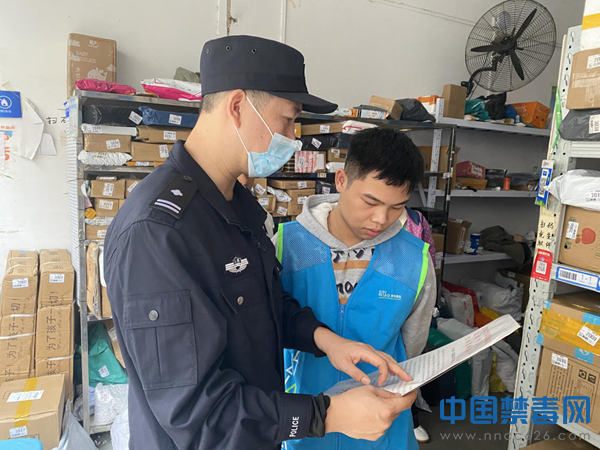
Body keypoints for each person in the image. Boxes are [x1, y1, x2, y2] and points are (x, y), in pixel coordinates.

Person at [104, 35, 416, 450]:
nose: (293, 137)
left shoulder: (237, 206)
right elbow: (195, 413)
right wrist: (327, 415)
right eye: (287, 120)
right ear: (237, 106)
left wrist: (327, 341)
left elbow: (262, 307)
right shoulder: (158, 232)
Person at [276, 128, 437, 450]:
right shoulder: (286, 245)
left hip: (382, 423)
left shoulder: (413, 259)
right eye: (370, 201)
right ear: (341, 180)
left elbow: (412, 344)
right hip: (306, 418)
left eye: (397, 207)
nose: (381, 219)